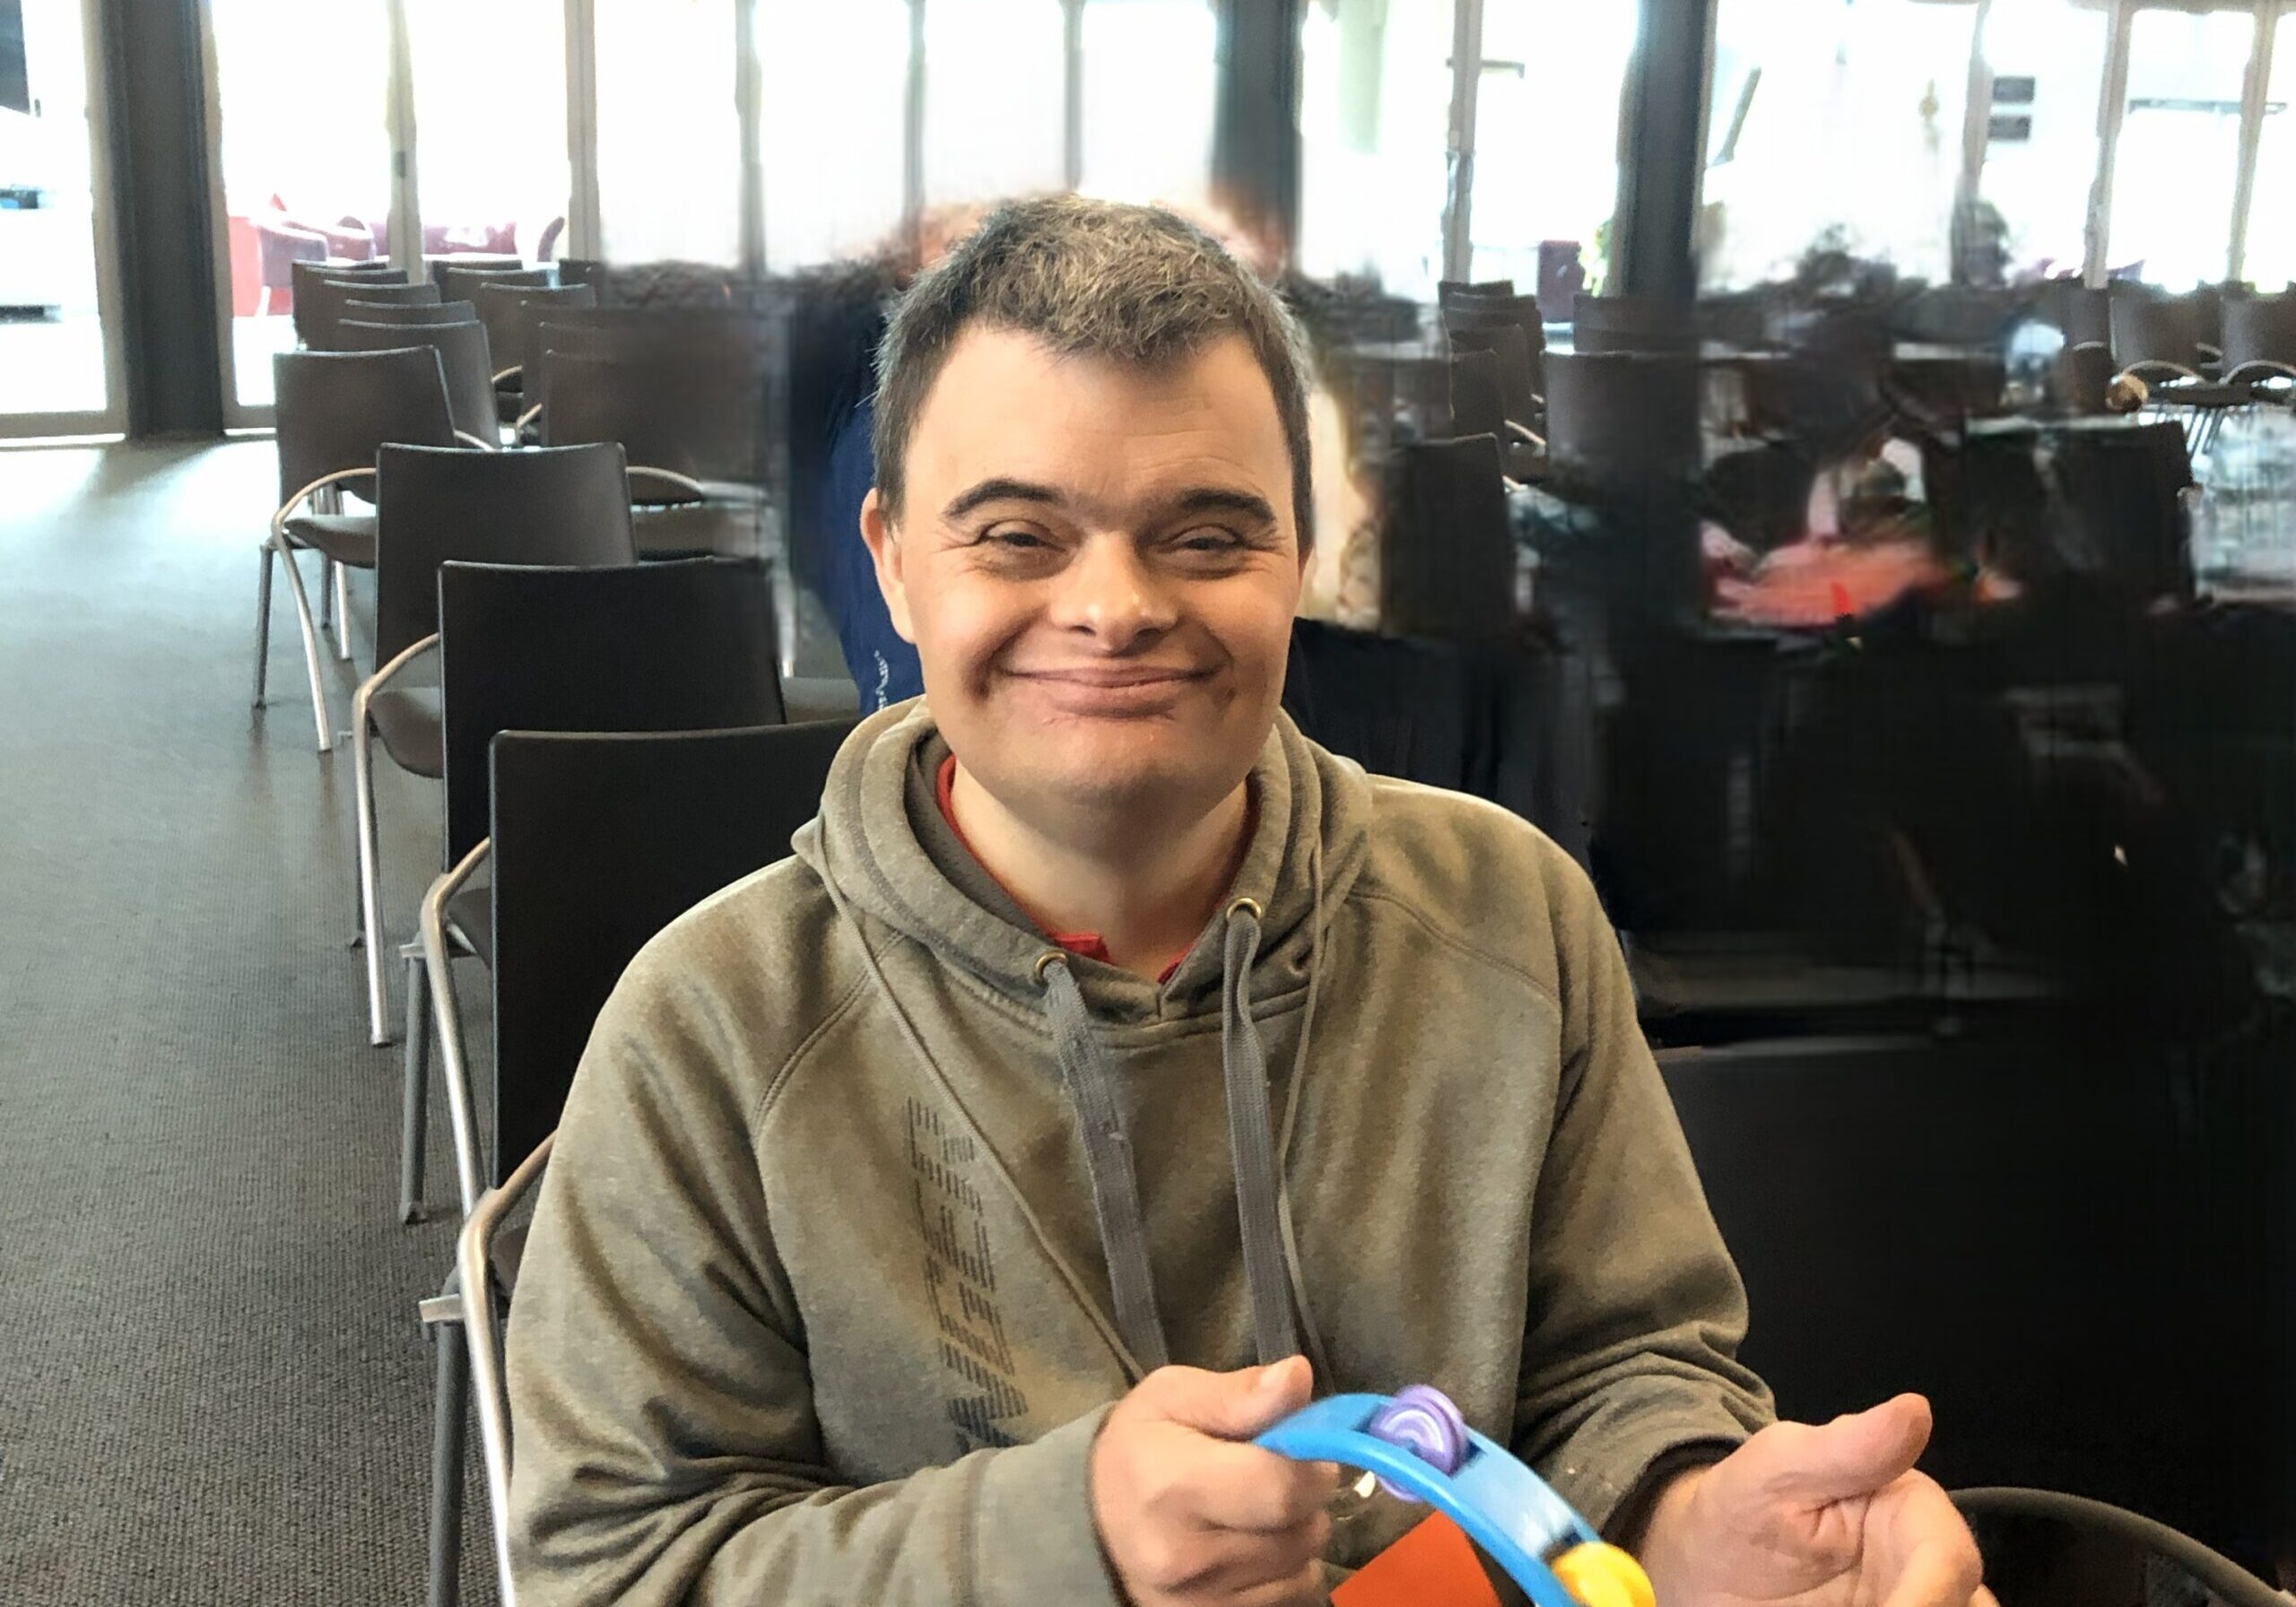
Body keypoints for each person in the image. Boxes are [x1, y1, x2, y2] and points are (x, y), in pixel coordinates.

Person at [506, 195, 1992, 1607]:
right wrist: (1065, 1542)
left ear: (1304, 554)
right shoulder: (715, 1025)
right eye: (1017, 535)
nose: (1116, 607)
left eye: (1206, 535)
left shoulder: (1506, 912)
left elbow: (1624, 1372)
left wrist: (1687, 1519)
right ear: (894, 565)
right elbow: (618, 1567)